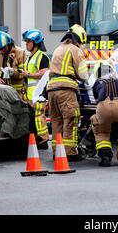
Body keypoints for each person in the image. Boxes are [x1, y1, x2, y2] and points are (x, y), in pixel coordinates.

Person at [47, 24, 89, 161]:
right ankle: (70, 153)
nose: (81, 45)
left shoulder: (58, 48)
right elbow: (83, 74)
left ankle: (56, 152)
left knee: (56, 121)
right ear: (78, 39)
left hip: (51, 89)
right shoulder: (75, 50)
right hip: (66, 89)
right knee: (70, 119)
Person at [22, 28, 51, 149]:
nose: (26, 44)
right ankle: (38, 138)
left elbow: (44, 73)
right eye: (26, 41)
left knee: (39, 117)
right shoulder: (30, 57)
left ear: (35, 42)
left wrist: (28, 74)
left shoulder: (41, 56)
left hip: (39, 94)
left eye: (28, 41)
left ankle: (43, 140)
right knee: (34, 118)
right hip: (31, 94)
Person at [0, 31, 26, 98]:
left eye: (3, 48)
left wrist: (12, 72)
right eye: (0, 49)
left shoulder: (20, 52)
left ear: (9, 44)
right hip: (3, 92)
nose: (2, 50)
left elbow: (24, 73)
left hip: (17, 94)